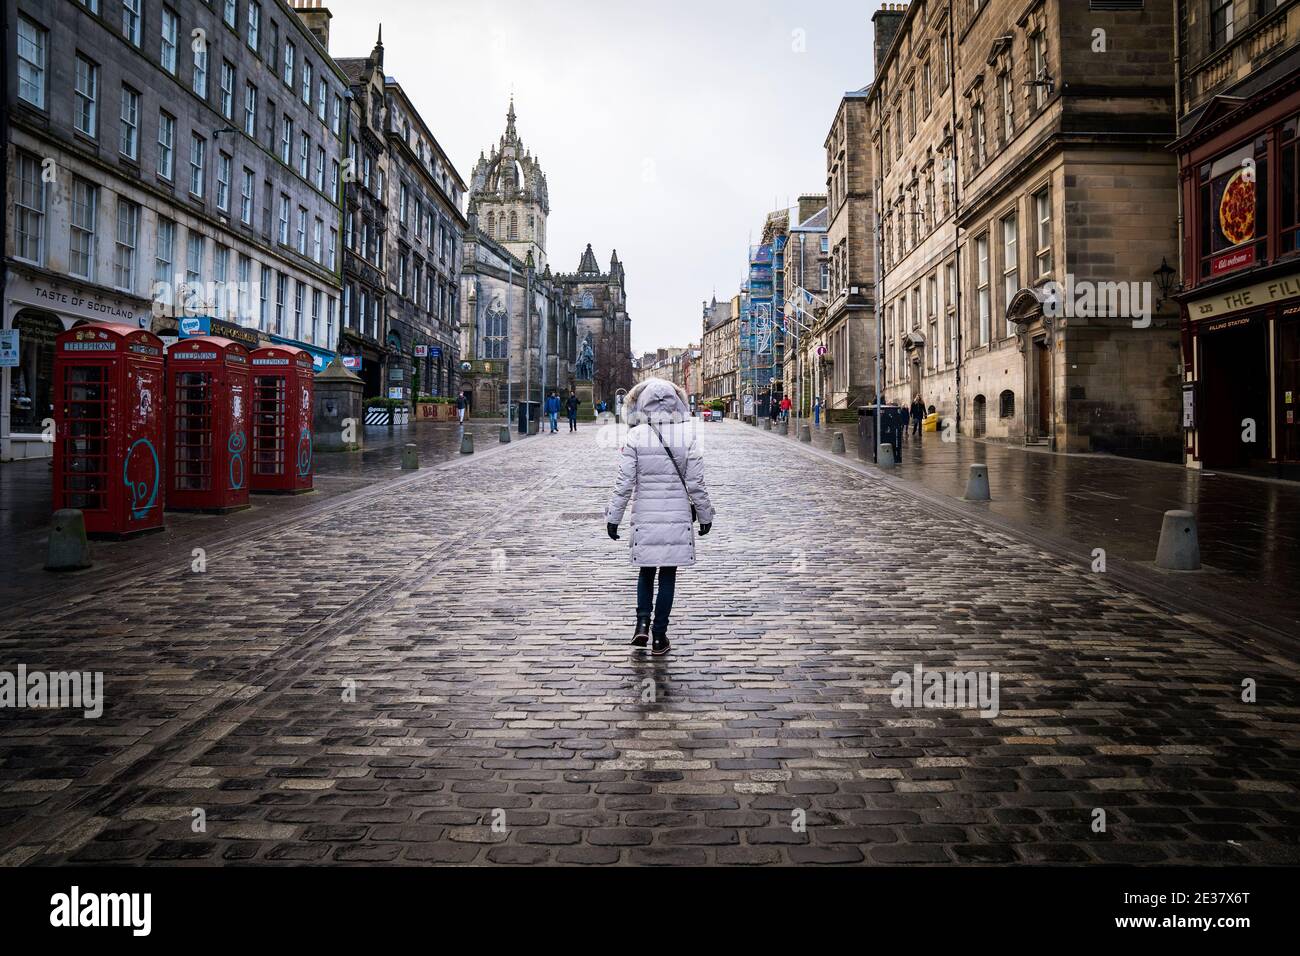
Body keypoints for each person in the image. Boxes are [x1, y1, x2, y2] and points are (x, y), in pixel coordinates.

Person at [606, 378, 714, 657]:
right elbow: (696, 483)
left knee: (645, 571)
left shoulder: (635, 436)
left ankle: (641, 623)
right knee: (667, 575)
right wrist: (704, 515)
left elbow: (624, 482)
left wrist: (613, 517)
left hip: (646, 515)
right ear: (677, 402)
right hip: (676, 516)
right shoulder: (688, 436)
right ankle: (659, 636)